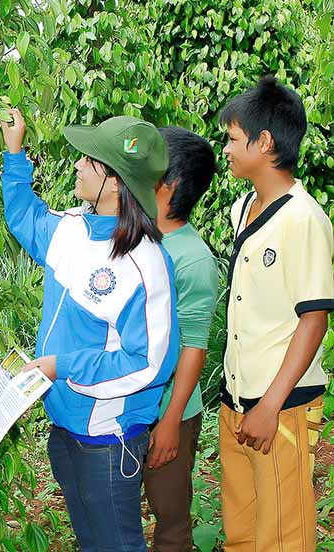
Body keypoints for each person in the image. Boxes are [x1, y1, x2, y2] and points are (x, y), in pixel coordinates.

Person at [1, 110, 179, 551]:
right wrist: (14, 151)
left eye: (89, 160)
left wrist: (62, 366)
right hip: (65, 428)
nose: (78, 165)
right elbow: (26, 219)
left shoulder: (146, 265)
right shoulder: (74, 231)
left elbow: (150, 363)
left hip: (108, 440)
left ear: (115, 182)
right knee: (90, 542)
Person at [218, 76, 334, 551]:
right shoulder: (242, 207)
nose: (224, 148)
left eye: (231, 138)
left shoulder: (303, 219)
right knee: (242, 532)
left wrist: (269, 405)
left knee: (283, 538)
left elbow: (314, 319)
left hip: (279, 408)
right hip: (236, 401)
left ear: (264, 142)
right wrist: (243, 401)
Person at [142, 127, 219, 551]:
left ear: (168, 184)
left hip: (172, 410)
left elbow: (194, 346)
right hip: (126, 405)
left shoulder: (192, 259)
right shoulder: (132, 234)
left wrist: (171, 422)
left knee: (169, 520)